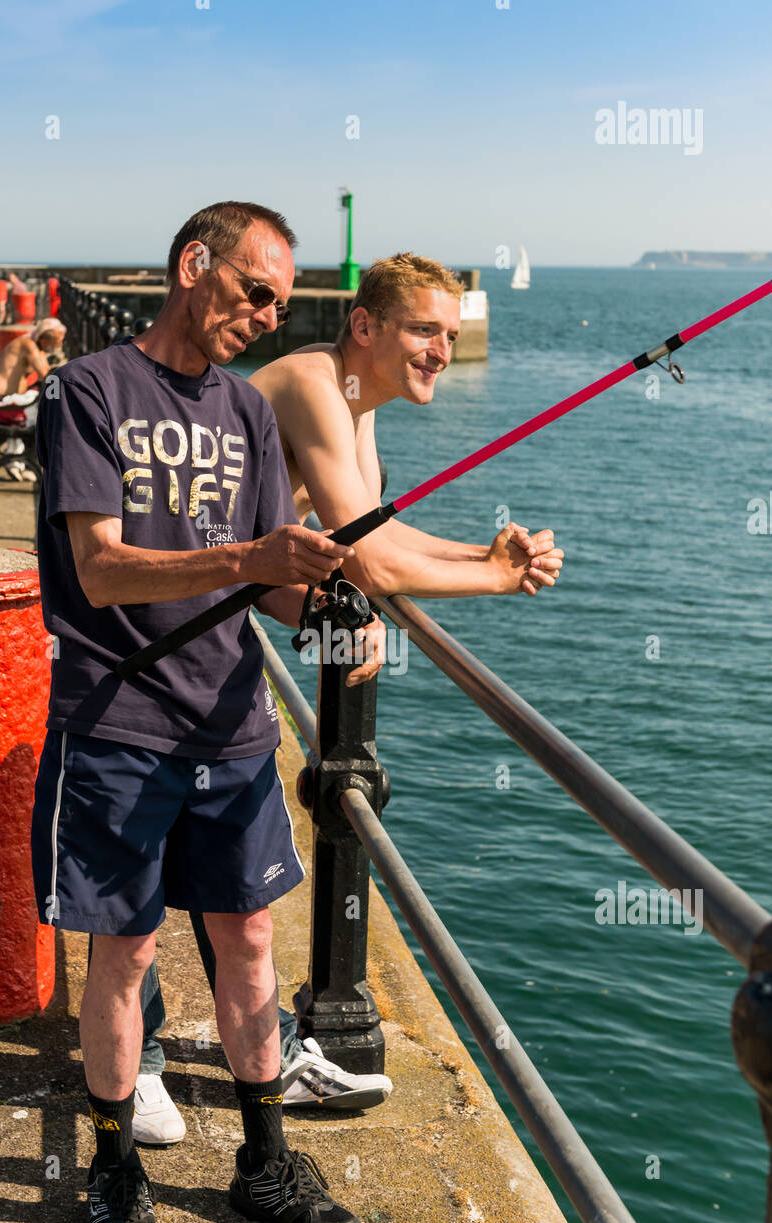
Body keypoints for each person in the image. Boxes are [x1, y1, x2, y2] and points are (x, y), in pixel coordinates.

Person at [31, 200, 386, 1223]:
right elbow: (100, 567)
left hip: (230, 727)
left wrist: (330, 613)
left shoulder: (245, 412)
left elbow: (268, 587)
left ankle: (264, 1162)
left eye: (282, 302)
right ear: (195, 265)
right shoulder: (87, 391)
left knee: (251, 945)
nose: (271, 317)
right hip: (117, 725)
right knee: (127, 951)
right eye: (256, 291)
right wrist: (251, 556)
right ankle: (112, 1170)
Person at [136, 252, 564, 1140]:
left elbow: (374, 527)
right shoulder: (311, 385)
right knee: (137, 880)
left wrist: (487, 557)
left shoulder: (354, 403)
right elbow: (364, 560)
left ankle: (241, 1050)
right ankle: (137, 1062)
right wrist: (489, 582)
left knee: (227, 891)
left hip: (212, 630)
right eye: (424, 330)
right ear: (365, 327)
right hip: (153, 636)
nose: (443, 350)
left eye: (450, 333)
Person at [0, 318, 67, 481]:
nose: (59, 346)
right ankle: (21, 463)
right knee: (42, 420)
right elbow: (46, 375)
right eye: (57, 342)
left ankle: (23, 463)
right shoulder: (27, 345)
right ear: (44, 339)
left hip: (7, 403)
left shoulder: (35, 346)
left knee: (40, 417)